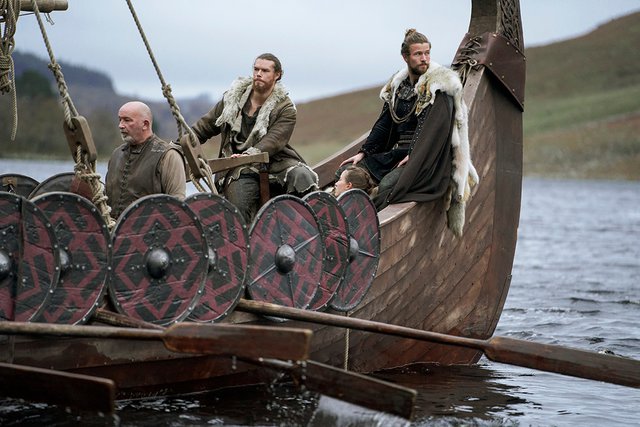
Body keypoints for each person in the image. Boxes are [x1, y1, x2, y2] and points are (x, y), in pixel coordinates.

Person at [338, 29, 478, 235]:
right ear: (405, 57)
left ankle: (360, 229)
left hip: (428, 157)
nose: (424, 59)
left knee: (389, 185)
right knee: (346, 171)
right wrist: (364, 152)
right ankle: (341, 218)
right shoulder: (398, 86)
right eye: (418, 54)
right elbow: (385, 124)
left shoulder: (439, 87)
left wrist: (414, 154)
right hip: (399, 154)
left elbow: (435, 131)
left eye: (427, 53)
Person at [191, 53, 318, 223]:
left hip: (276, 162)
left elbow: (274, 140)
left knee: (302, 176)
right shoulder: (232, 98)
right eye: (256, 69)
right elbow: (205, 125)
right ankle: (242, 236)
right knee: (238, 198)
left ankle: (310, 225)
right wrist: (180, 144)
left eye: (265, 70)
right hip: (237, 166)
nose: (258, 74)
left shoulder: (285, 107)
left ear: (277, 75)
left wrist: (251, 153)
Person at [105, 101, 186, 219]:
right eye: (120, 120)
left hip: (152, 229)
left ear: (145, 124)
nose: (121, 125)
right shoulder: (116, 154)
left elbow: (177, 207)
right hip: (112, 229)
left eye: (127, 120)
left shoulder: (168, 155)